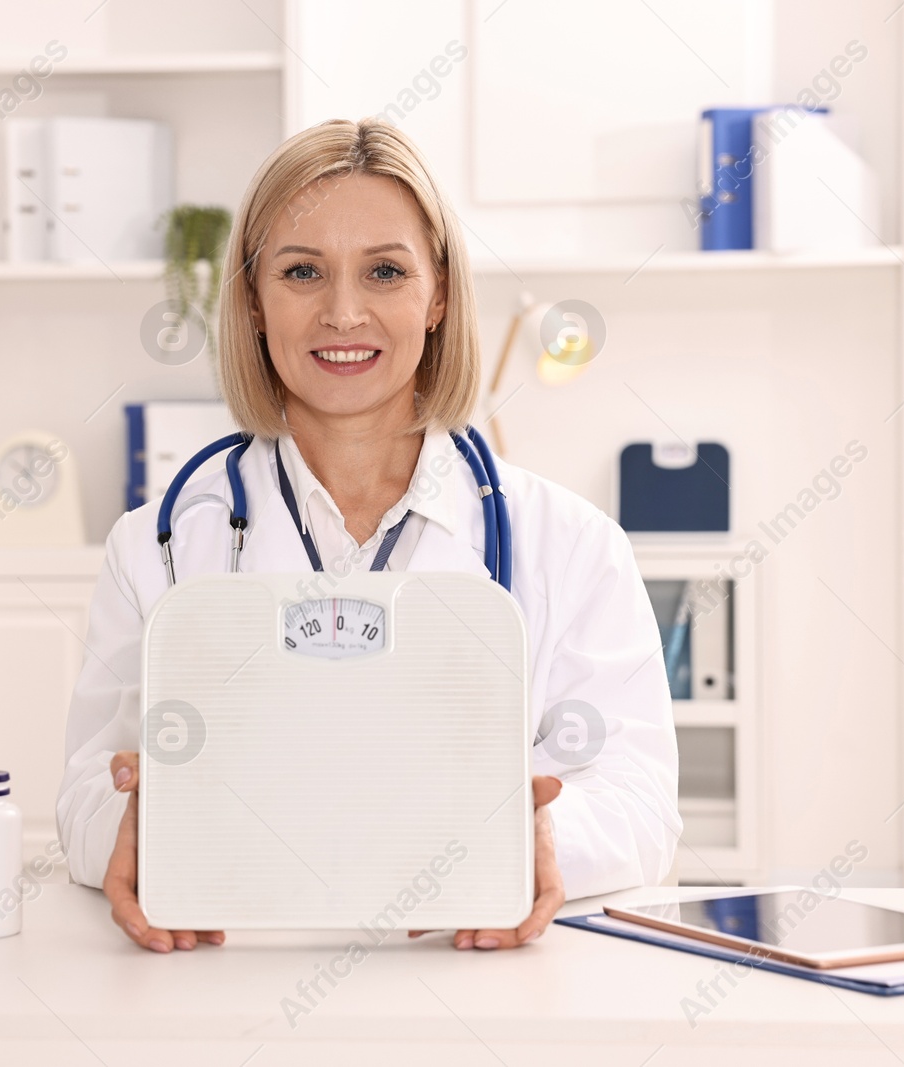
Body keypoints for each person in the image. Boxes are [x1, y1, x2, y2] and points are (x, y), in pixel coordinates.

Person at [57, 117, 680, 953]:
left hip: (477, 990)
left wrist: (516, 839)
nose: (342, 313)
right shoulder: (158, 545)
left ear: (439, 296)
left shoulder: (570, 544)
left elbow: (640, 800)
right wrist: (135, 826)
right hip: (227, 980)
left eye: (385, 271)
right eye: (302, 271)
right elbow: (85, 796)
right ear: (252, 299)